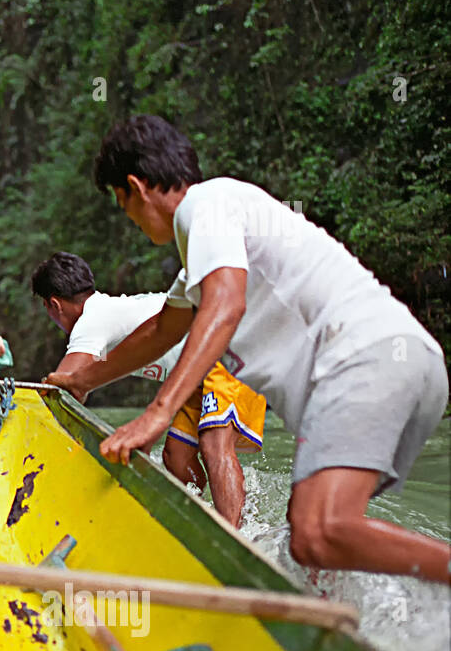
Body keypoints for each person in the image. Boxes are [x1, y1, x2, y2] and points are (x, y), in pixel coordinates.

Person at [47, 114, 449, 583]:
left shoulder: (208, 205)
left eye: (123, 204)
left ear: (136, 187)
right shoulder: (203, 251)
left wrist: (158, 412)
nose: (131, 221)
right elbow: (161, 331)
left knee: (319, 532)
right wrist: (82, 379)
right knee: (314, 551)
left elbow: (225, 304)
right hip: (387, 372)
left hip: (369, 358)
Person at [34, 252, 265, 527]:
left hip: (226, 345)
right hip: (195, 372)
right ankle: (202, 524)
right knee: (176, 456)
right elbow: (77, 388)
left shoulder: (91, 321)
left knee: (214, 444)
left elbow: (63, 387)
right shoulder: (105, 313)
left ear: (54, 305)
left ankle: (237, 540)